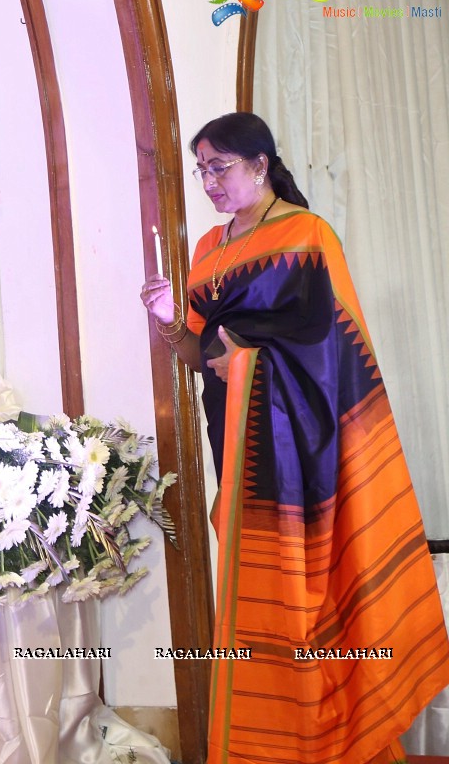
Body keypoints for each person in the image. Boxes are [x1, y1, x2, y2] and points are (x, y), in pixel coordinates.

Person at [140, 112, 449, 764]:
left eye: (219, 167)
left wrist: (247, 363)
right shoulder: (207, 251)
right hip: (239, 448)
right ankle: (266, 745)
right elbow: (203, 354)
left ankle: (329, 742)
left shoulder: (308, 236)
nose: (209, 182)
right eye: (201, 170)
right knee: (259, 600)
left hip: (303, 452)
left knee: (307, 597)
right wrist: (172, 323)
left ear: (261, 164)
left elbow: (330, 352)